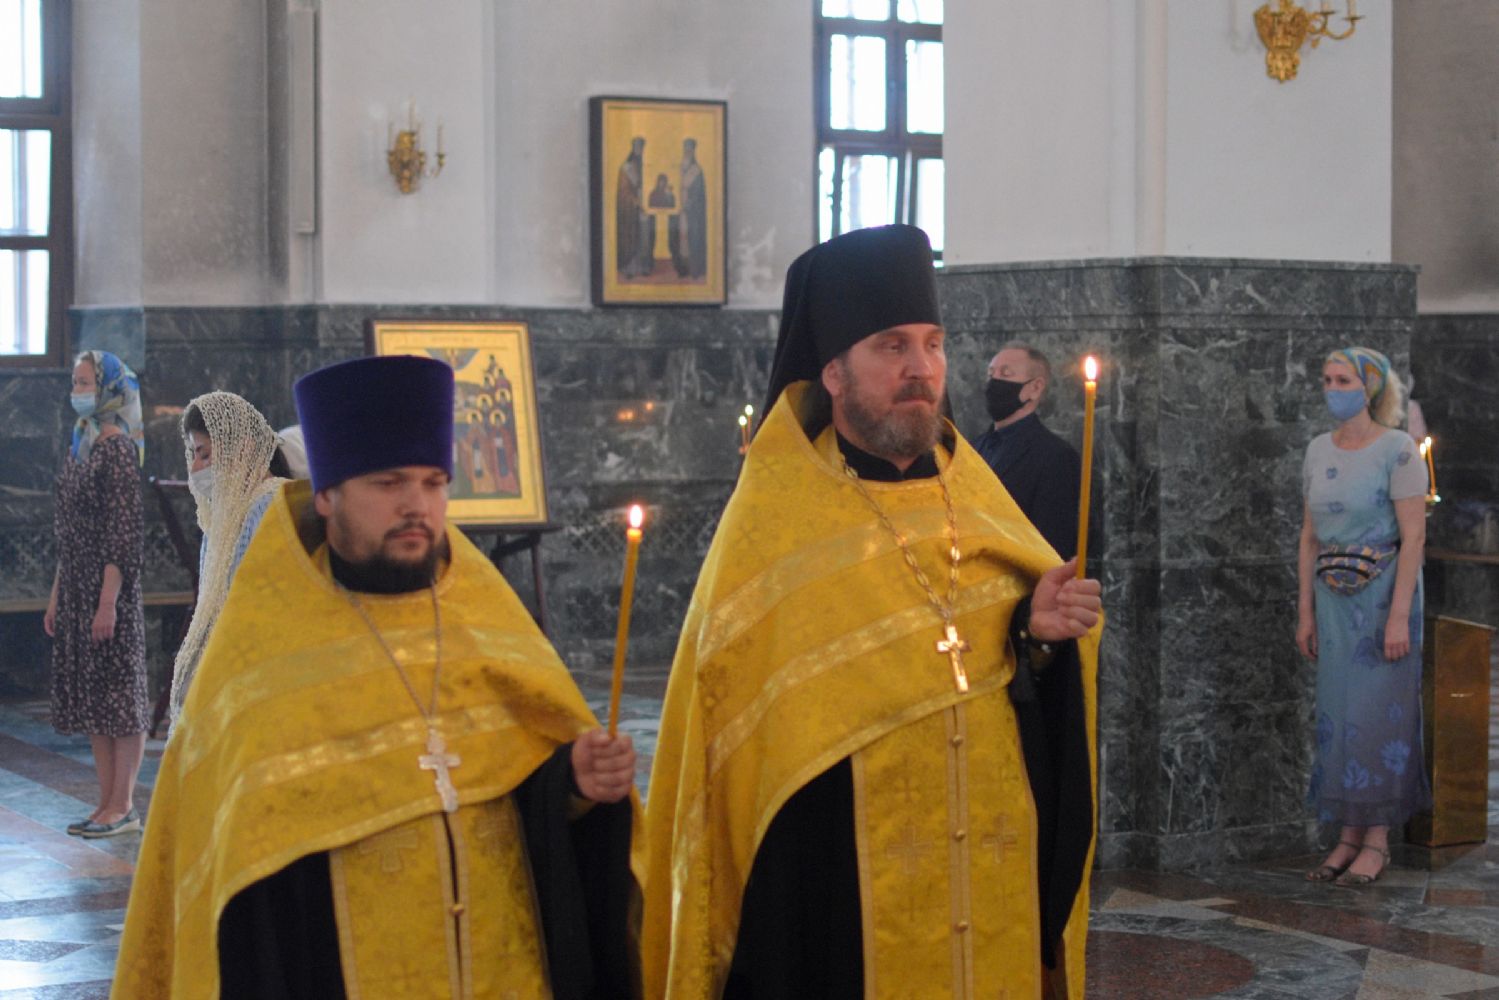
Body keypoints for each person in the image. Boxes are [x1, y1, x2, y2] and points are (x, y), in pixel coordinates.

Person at [642, 225, 1102, 999]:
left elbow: (1023, 689)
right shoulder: (776, 522)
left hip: (990, 877)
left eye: (932, 344)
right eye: (891, 346)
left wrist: (1037, 636)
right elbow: (731, 743)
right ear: (833, 371)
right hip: (839, 895)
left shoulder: (978, 501)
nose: (921, 368)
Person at [115, 355, 641, 999]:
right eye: (389, 483)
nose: (417, 505)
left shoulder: (486, 622)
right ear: (327, 495)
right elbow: (239, 894)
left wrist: (573, 784)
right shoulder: (262, 652)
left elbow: (526, 805)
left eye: (434, 482)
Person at [1298, 346, 1430, 886]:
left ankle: (1377, 839)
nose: (1333, 389)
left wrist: (1398, 617)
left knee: (1377, 717)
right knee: (1339, 715)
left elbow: (1414, 537)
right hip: (1332, 600)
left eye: (1344, 380)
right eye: (1327, 379)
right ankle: (1348, 834)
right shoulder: (1317, 449)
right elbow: (1309, 537)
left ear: (1370, 388)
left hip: (1382, 599)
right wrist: (1304, 611)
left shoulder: (1398, 450)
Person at [43, 350, 149, 839]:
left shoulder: (117, 449)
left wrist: (107, 603)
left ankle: (123, 805)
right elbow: (69, 530)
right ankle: (105, 802)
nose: (78, 390)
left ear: (109, 389)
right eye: (75, 381)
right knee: (94, 699)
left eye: (86, 382)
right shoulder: (80, 444)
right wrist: (57, 595)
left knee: (119, 696)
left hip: (109, 589)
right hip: (77, 584)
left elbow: (122, 536)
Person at [165, 391, 292, 730]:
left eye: (205, 454)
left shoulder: (272, 505)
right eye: (193, 454)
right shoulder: (224, 518)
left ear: (244, 448)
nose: (196, 468)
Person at [972, 344, 1083, 559]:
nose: (994, 382)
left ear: (1035, 388)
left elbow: (1053, 543)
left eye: (1006, 374)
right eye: (991, 374)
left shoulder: (1055, 456)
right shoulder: (974, 447)